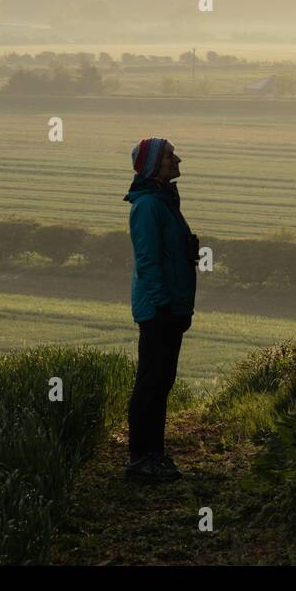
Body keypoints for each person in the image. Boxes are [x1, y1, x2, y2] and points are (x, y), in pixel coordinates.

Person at [123, 137, 198, 482]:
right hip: (158, 310)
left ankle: (154, 455)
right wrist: (164, 305)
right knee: (151, 383)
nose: (178, 159)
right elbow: (148, 261)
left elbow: (164, 254)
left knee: (161, 381)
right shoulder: (148, 207)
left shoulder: (164, 201)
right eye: (170, 156)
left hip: (170, 307)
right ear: (155, 167)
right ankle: (140, 459)